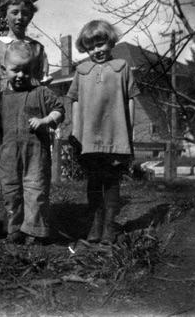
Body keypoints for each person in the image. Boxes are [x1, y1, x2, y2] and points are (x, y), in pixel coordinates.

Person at [67, 20, 140, 245]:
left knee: (111, 181)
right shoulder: (81, 70)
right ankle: (95, 224)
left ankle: (110, 225)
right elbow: (75, 101)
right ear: (85, 48)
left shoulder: (121, 66)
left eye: (101, 44)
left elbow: (130, 99)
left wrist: (129, 130)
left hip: (114, 135)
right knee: (93, 181)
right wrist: (76, 130)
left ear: (110, 42)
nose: (97, 50)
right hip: (89, 137)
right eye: (91, 47)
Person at [0, 41, 65, 245]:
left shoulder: (40, 93)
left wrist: (45, 121)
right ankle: (14, 228)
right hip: (9, 154)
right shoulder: (1, 99)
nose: (21, 75)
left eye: (26, 70)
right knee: (11, 191)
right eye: (15, 70)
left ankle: (34, 231)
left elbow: (59, 109)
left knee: (35, 190)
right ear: (4, 69)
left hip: (35, 154)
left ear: (33, 69)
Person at [0, 0, 53, 160]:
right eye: (14, 12)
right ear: (5, 14)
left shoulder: (37, 48)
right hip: (3, 100)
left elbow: (43, 82)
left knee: (30, 147)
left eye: (25, 13)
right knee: (5, 149)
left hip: (30, 102)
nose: (20, 17)